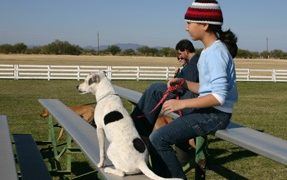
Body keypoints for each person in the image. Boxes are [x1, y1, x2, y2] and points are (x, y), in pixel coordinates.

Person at [138, 0, 239, 179]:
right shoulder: (209, 51)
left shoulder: (216, 53)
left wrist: (182, 103)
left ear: (205, 24)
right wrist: (184, 84)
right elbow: (206, 88)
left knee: (158, 139)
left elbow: (218, 96)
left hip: (215, 115)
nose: (186, 27)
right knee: (157, 137)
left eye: (189, 22)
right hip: (208, 111)